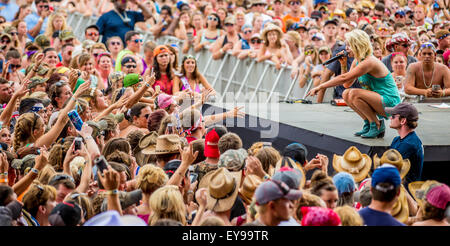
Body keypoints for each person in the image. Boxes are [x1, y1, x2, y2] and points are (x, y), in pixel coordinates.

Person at [308, 29, 401, 139]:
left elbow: (344, 78)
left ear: (358, 45)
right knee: (346, 93)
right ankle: (369, 123)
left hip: (390, 102)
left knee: (353, 93)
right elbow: (346, 84)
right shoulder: (356, 61)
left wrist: (320, 86)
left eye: (349, 45)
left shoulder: (369, 61)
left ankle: (376, 124)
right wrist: (343, 64)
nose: (346, 49)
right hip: (379, 100)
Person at [385, 102, 424, 186]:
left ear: (403, 121)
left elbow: (389, 170)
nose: (390, 118)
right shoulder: (397, 140)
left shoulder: (409, 144)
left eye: (393, 116)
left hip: (405, 192)